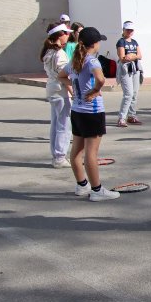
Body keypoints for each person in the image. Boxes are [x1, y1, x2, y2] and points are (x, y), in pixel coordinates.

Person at [58, 27, 120, 201]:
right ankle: (97, 190)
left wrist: (73, 88)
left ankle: (81, 184)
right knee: (91, 153)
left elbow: (61, 76)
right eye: (99, 41)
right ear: (94, 44)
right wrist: (95, 90)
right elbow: (101, 79)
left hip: (77, 111)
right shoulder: (92, 61)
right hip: (92, 112)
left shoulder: (76, 60)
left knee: (76, 150)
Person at [40, 22, 73, 168]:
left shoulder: (49, 51)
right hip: (60, 91)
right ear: (60, 35)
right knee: (64, 125)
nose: (68, 36)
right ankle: (60, 157)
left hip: (52, 89)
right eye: (66, 33)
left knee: (56, 124)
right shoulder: (59, 53)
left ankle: (56, 155)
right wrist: (73, 92)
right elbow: (64, 76)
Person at [115, 21, 143, 127]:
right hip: (125, 69)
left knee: (134, 93)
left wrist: (132, 56)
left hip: (135, 69)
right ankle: (122, 118)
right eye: (128, 30)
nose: (130, 31)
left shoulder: (134, 42)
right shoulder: (121, 42)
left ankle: (131, 116)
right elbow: (122, 58)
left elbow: (140, 55)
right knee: (128, 94)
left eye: (131, 30)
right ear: (123, 30)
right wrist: (131, 56)